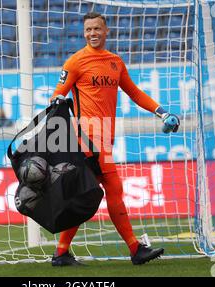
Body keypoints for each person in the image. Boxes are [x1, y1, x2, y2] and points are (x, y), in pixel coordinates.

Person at [49, 12, 180, 266]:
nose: (92, 33)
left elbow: (134, 92)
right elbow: (57, 93)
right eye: (88, 30)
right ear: (84, 33)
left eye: (97, 28)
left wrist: (162, 112)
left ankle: (61, 253)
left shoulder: (115, 62)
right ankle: (135, 249)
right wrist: (58, 102)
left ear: (106, 31)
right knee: (113, 188)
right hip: (87, 139)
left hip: (104, 137)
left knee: (85, 197)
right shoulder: (75, 62)